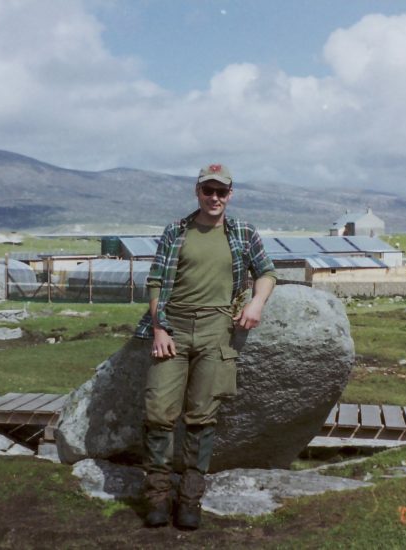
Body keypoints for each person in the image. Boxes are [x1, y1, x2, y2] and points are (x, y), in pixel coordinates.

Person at [134, 163, 277, 529]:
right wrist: (159, 328)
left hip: (217, 330)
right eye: (208, 190)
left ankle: (190, 500)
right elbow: (155, 282)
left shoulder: (243, 232)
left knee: (201, 418)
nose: (214, 198)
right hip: (174, 328)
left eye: (221, 192)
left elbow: (266, 272)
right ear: (197, 191)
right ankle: (156, 497)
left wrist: (256, 303)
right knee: (158, 414)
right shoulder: (176, 231)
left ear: (231, 194)